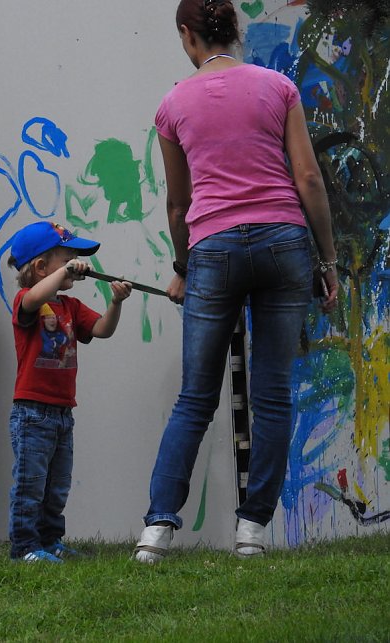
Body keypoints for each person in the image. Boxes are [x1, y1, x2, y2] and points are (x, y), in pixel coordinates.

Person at [133, 0, 338, 563]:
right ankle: (252, 531)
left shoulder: (173, 103)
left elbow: (179, 207)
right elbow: (308, 179)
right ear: (234, 31)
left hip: (214, 250)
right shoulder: (277, 88)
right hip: (284, 244)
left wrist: (183, 268)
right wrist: (328, 261)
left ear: (186, 34)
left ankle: (156, 532)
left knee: (195, 397)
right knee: (272, 397)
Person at [7, 221, 132, 563]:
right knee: (30, 486)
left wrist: (116, 302)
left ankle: (50, 541)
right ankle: (24, 548)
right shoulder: (27, 302)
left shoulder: (71, 307)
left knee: (56, 487)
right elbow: (34, 297)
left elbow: (102, 330)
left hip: (63, 413)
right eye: (68, 256)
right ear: (41, 267)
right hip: (32, 413)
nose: (76, 263)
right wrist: (64, 269)